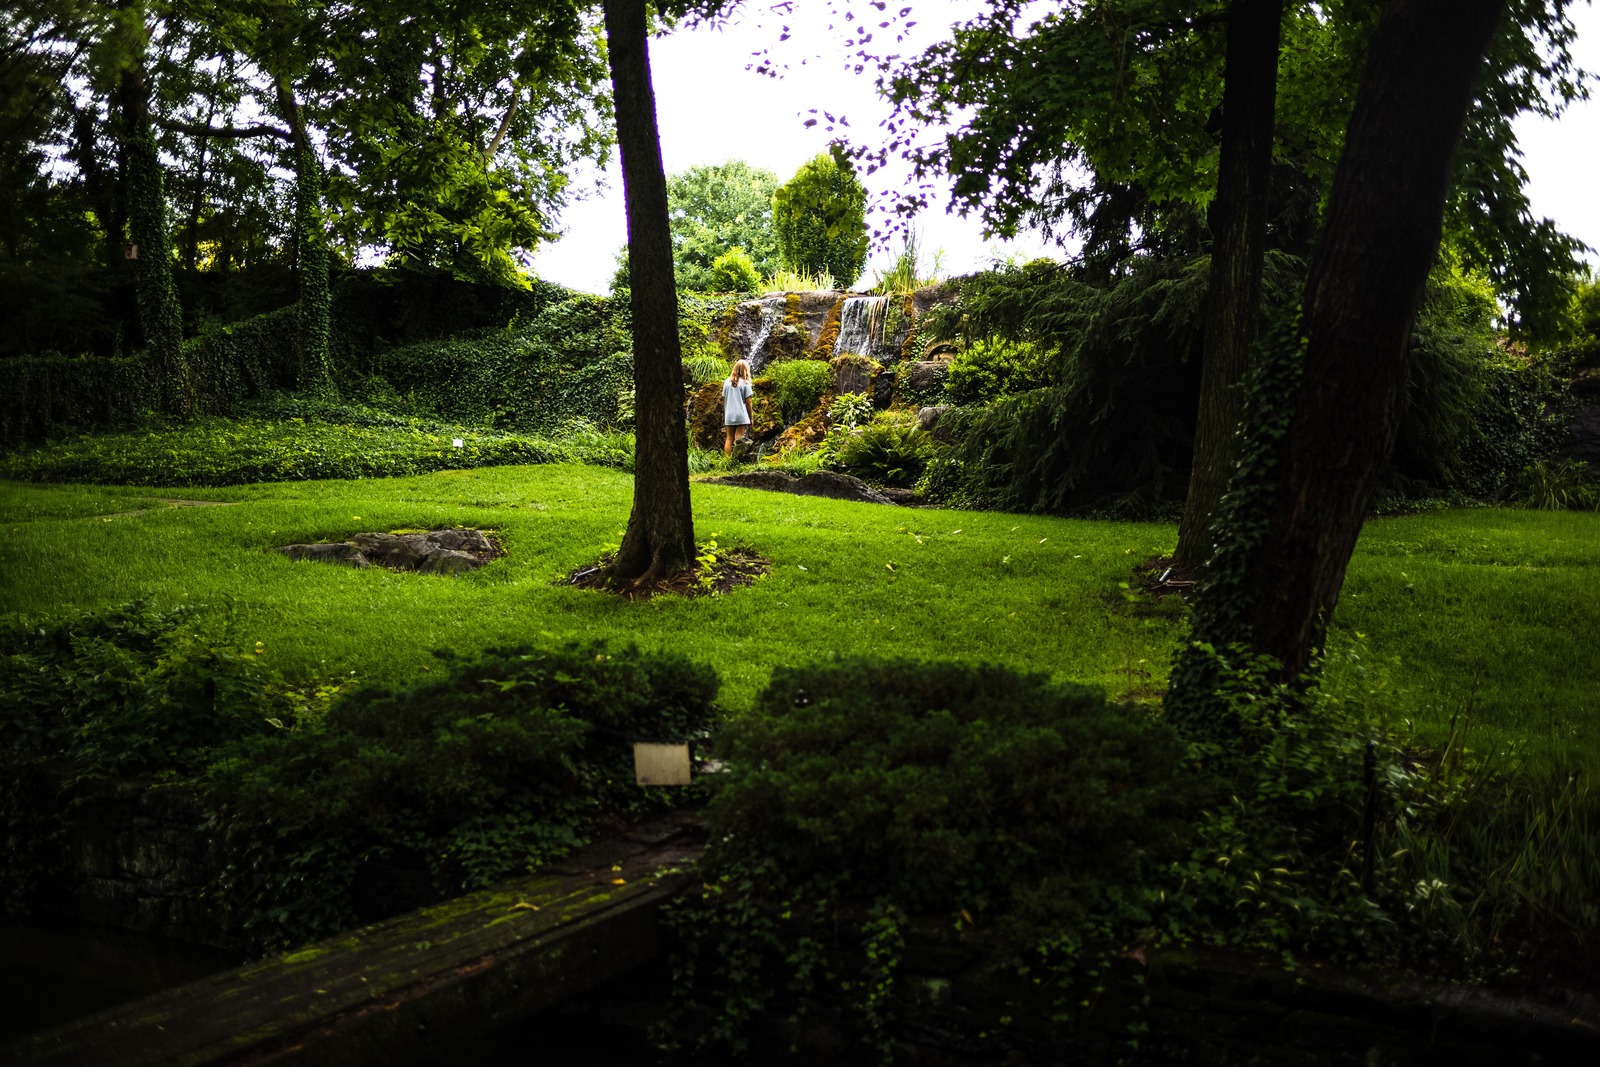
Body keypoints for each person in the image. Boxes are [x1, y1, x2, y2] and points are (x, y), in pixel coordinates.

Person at [722, 359, 754, 456]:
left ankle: (727, 460)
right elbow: (748, 403)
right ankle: (736, 460)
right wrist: (751, 417)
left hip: (729, 414)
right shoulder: (745, 383)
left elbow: (724, 399)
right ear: (745, 370)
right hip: (740, 414)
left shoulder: (727, 382)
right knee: (738, 438)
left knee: (729, 438)